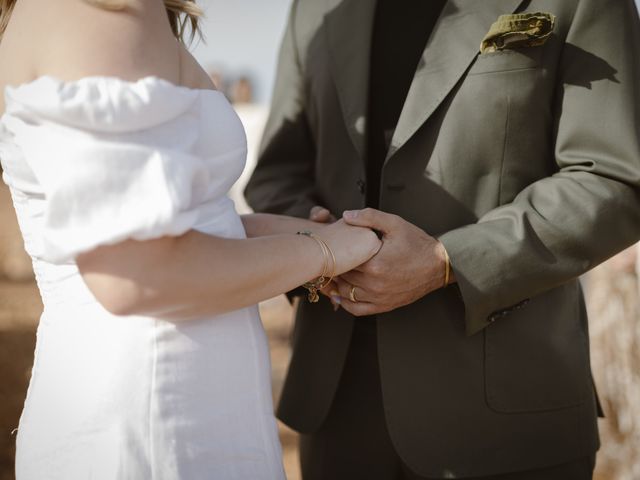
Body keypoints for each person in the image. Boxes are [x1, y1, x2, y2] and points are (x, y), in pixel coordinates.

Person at [245, 0, 640, 479]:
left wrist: (448, 260)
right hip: (336, 410)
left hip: (507, 418)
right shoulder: (316, 9)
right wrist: (316, 246)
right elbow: (277, 173)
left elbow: (614, 177)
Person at [0, 0, 381, 479]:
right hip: (153, 414)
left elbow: (187, 232)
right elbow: (139, 275)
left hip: (185, 402)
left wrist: (323, 235)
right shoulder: (99, 10)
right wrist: (323, 252)